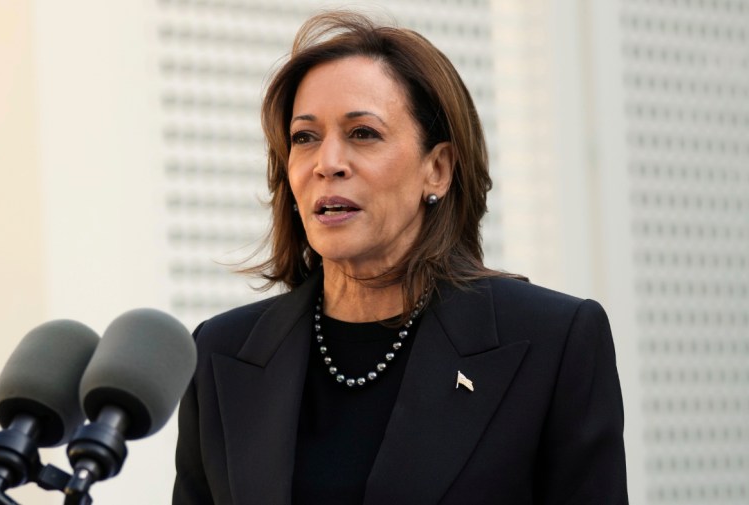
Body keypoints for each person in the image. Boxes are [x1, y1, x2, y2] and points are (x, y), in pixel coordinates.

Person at [173, 10, 627, 505]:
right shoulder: (221, 353)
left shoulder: (552, 342)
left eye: (362, 133)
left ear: (437, 169)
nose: (328, 163)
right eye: (305, 138)